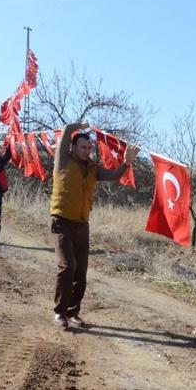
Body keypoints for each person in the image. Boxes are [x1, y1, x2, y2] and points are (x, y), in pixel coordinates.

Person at [50, 122, 139, 329]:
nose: (87, 150)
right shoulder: (62, 160)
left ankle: (73, 313)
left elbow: (114, 176)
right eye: (83, 147)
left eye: (90, 148)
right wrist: (77, 126)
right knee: (67, 267)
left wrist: (126, 163)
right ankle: (60, 312)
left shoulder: (92, 168)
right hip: (61, 221)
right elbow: (65, 133)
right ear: (73, 147)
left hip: (82, 225)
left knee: (81, 271)